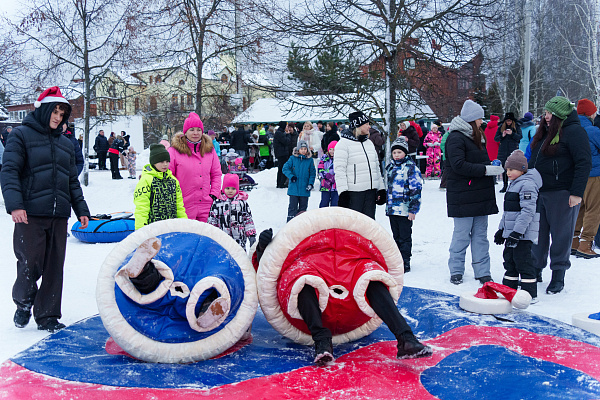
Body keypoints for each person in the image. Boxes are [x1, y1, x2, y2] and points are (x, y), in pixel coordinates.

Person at [252, 227, 432, 365]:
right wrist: (263, 250)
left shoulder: (347, 237)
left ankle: (406, 339)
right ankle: (322, 341)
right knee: (300, 280)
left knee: (371, 277)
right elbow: (269, 275)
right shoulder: (295, 249)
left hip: (352, 299)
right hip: (314, 302)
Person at [0, 86, 90, 332]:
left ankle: (48, 315)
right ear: (43, 110)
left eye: (62, 114)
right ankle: (23, 302)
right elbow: (9, 172)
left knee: (54, 267)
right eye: (55, 111)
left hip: (58, 214)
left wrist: (81, 209)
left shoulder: (65, 144)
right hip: (30, 213)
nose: (58, 117)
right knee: (30, 263)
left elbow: (71, 181)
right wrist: (16, 206)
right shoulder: (21, 135)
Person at [528, 96, 591, 294]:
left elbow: (584, 163)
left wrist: (576, 193)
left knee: (561, 236)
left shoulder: (574, 132)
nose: (546, 117)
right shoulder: (546, 131)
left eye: (550, 113)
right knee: (537, 234)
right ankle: (535, 268)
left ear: (560, 114)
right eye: (545, 113)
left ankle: (558, 274)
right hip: (539, 191)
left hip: (562, 193)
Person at [445, 99, 503, 285]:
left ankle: (483, 271)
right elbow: (458, 165)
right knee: (461, 236)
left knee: (480, 237)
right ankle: (456, 270)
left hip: (480, 194)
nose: (482, 122)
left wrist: (491, 165)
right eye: (479, 118)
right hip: (463, 195)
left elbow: (476, 161)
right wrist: (485, 170)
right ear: (471, 119)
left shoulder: (476, 136)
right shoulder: (456, 137)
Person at [493, 150, 542, 302]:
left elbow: (528, 211)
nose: (508, 172)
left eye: (512, 169)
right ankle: (509, 291)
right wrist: (502, 230)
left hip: (523, 234)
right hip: (512, 232)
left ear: (522, 169)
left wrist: (517, 233)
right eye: (507, 169)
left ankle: (529, 294)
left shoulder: (527, 185)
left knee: (523, 262)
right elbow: (508, 212)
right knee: (509, 261)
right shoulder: (514, 184)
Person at [168, 112, 222, 223]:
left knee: (206, 233)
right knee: (186, 233)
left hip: (206, 205)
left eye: (198, 130)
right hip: (183, 205)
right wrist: (174, 198)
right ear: (185, 132)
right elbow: (168, 176)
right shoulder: (174, 151)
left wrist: (214, 194)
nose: (195, 133)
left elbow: (216, 174)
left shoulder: (210, 150)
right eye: (192, 130)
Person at [334, 111, 385, 219]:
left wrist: (381, 188)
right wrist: (343, 193)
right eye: (366, 124)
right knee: (354, 225)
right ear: (358, 125)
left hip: (370, 193)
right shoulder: (343, 144)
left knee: (369, 225)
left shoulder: (369, 143)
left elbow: (376, 168)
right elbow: (339, 170)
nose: (369, 126)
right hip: (354, 194)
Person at [386, 136, 423, 273]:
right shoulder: (390, 167)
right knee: (396, 236)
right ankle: (396, 260)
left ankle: (405, 260)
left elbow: (416, 190)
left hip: (405, 209)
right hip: (392, 209)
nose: (396, 155)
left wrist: (413, 209)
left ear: (405, 153)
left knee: (405, 237)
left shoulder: (411, 168)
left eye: (399, 152)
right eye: (394, 152)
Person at [133, 144, 187, 230]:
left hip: (171, 228)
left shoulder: (173, 180)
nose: (165, 164)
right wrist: (141, 231)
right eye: (161, 162)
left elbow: (179, 206)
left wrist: (185, 225)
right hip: (153, 229)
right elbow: (142, 208)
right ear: (153, 162)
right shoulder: (146, 180)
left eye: (167, 161)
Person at [572, 99, 600, 259]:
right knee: (594, 209)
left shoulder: (571, 129)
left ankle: (573, 241)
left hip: (576, 175)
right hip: (594, 174)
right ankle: (585, 244)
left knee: (579, 208)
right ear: (590, 113)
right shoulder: (593, 131)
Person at [207, 173, 257, 251]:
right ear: (223, 188)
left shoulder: (242, 203)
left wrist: (251, 235)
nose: (230, 191)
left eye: (233, 189)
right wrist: (211, 234)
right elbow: (212, 220)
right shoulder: (217, 203)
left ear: (237, 189)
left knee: (239, 257)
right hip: (222, 240)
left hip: (239, 241)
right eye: (227, 188)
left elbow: (248, 220)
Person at [283, 140, 316, 221]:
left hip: (304, 189)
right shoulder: (293, 158)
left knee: (303, 208)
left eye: (305, 149)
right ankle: (290, 222)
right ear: (298, 149)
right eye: (302, 149)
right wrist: (291, 176)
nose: (303, 151)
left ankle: (301, 223)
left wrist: (310, 184)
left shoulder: (310, 160)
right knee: (292, 207)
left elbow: (312, 173)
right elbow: (285, 168)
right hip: (294, 189)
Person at [495, 112, 523, 192]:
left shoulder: (516, 126)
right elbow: (496, 138)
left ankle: (514, 185)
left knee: (514, 168)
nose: (508, 122)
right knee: (504, 169)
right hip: (503, 151)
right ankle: (505, 185)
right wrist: (502, 135)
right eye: (507, 121)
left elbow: (519, 137)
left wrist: (512, 134)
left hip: (513, 150)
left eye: (510, 121)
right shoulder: (501, 127)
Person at [317, 140, 338, 207]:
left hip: (335, 185)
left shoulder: (339, 159)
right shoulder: (324, 158)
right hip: (325, 184)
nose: (332, 151)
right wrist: (327, 175)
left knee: (335, 204)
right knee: (324, 203)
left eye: (334, 149)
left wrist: (335, 177)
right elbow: (320, 169)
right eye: (330, 149)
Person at [273, 121, 290, 188]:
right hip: (282, 153)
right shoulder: (280, 133)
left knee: (281, 168)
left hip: (281, 153)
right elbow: (286, 141)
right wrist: (288, 134)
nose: (287, 127)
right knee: (282, 168)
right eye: (286, 126)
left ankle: (280, 183)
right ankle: (281, 183)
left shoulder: (279, 132)